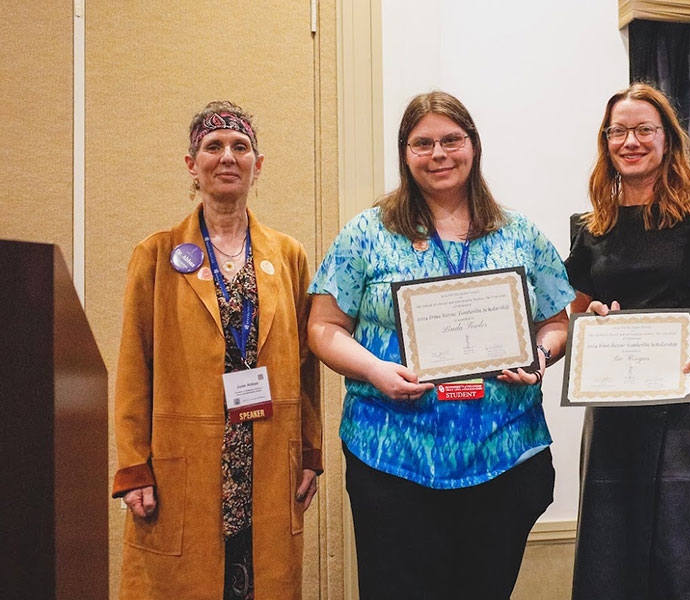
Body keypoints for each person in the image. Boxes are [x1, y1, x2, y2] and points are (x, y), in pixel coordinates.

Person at [307, 90, 574, 599]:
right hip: (392, 460)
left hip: (504, 458)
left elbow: (556, 322)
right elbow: (323, 327)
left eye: (452, 140)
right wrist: (374, 370)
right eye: (422, 143)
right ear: (404, 154)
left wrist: (538, 360)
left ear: (473, 146)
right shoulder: (367, 233)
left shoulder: (519, 233)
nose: (439, 154)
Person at [111, 100, 323, 600]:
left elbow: (305, 365)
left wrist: (309, 450)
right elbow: (132, 368)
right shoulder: (157, 254)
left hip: (267, 459)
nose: (227, 156)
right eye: (213, 147)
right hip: (185, 464)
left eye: (240, 147)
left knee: (259, 583)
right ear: (192, 164)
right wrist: (133, 465)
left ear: (257, 164)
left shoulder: (288, 256)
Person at [565, 82, 690, 599]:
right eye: (618, 131)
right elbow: (576, 313)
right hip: (616, 410)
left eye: (643, 130)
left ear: (667, 139)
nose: (630, 141)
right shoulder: (590, 229)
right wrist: (596, 315)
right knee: (616, 550)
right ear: (606, 143)